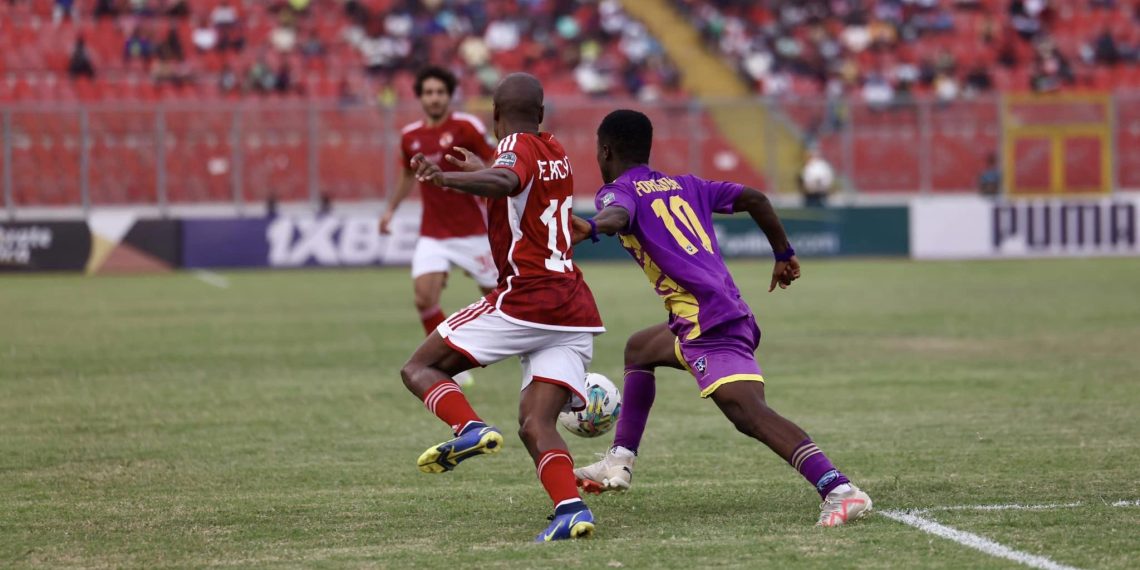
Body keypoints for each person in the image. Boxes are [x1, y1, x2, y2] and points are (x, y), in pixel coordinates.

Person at [570, 110, 872, 527]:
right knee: (639, 349)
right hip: (705, 315)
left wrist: (592, 226)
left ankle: (839, 489)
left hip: (709, 322)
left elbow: (617, 215)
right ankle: (619, 461)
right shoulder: (687, 184)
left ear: (604, 150)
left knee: (749, 414)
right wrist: (783, 254)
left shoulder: (615, 191)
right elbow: (756, 199)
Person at [402, 73, 605, 542]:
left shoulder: (513, 146)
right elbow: (515, 178)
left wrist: (448, 178)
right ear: (541, 112)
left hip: (526, 301)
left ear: (495, 115)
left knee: (420, 368)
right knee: (536, 423)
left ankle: (468, 426)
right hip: (573, 309)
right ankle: (571, 510)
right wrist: (486, 166)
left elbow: (507, 177)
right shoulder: (554, 149)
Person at [380, 66, 498, 387]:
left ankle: (530, 349)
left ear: (449, 96)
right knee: (423, 297)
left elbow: (494, 162)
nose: (434, 98)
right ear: (420, 97)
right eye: (429, 93)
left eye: (440, 92)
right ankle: (450, 362)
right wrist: (390, 210)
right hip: (433, 233)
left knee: (500, 297)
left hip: (474, 232)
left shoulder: (467, 127)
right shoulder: (410, 136)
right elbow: (407, 176)